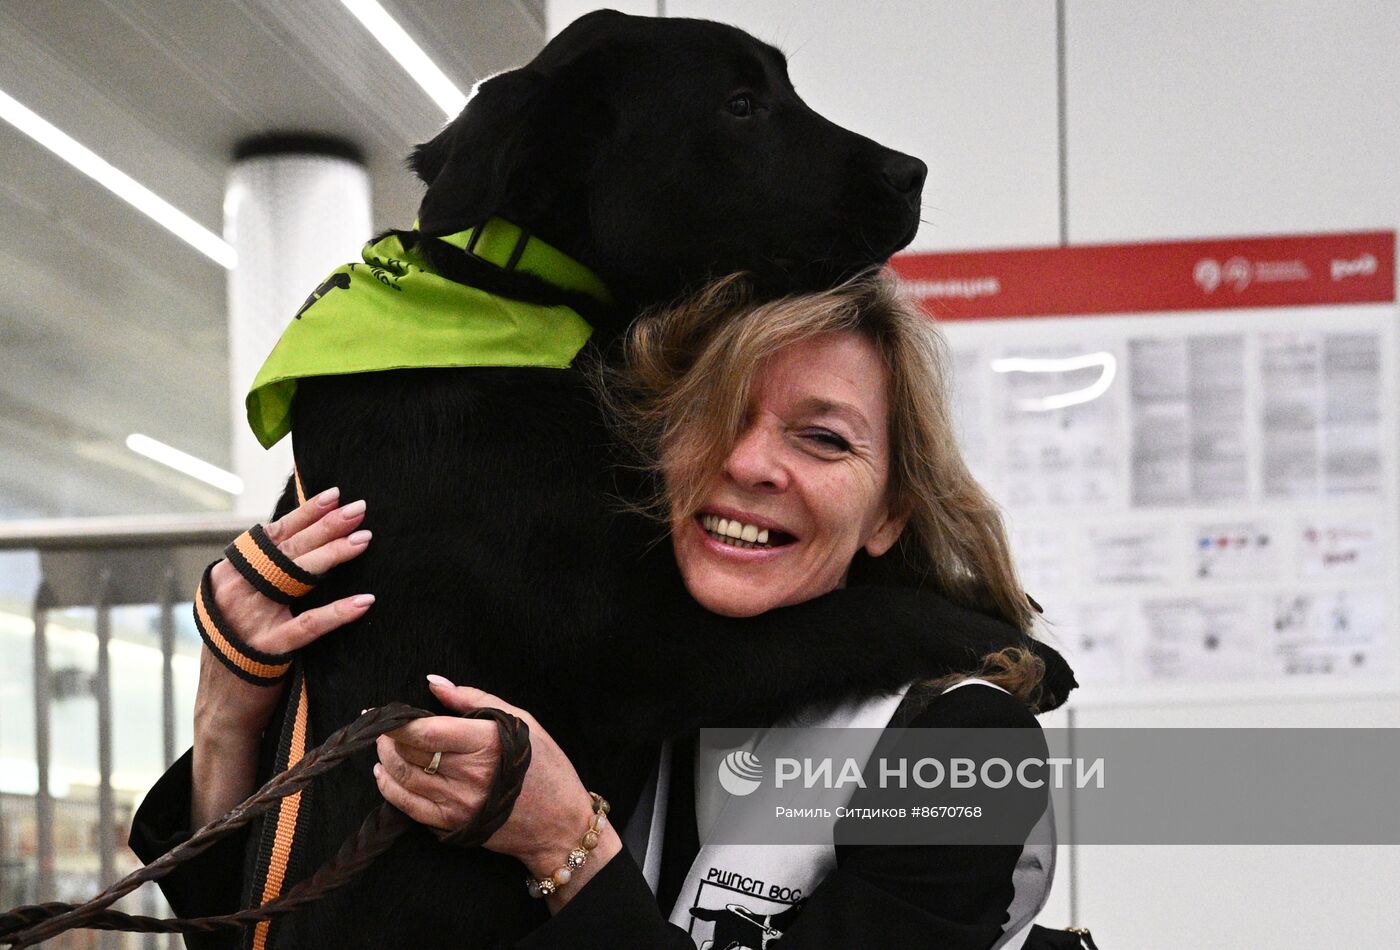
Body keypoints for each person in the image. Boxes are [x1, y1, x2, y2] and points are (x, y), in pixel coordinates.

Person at [132, 273, 1065, 948]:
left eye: (822, 439)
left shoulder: (962, 745)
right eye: (713, 416)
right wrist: (231, 712)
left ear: (889, 512)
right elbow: (292, 931)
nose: (749, 465)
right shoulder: (592, 672)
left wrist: (564, 843)